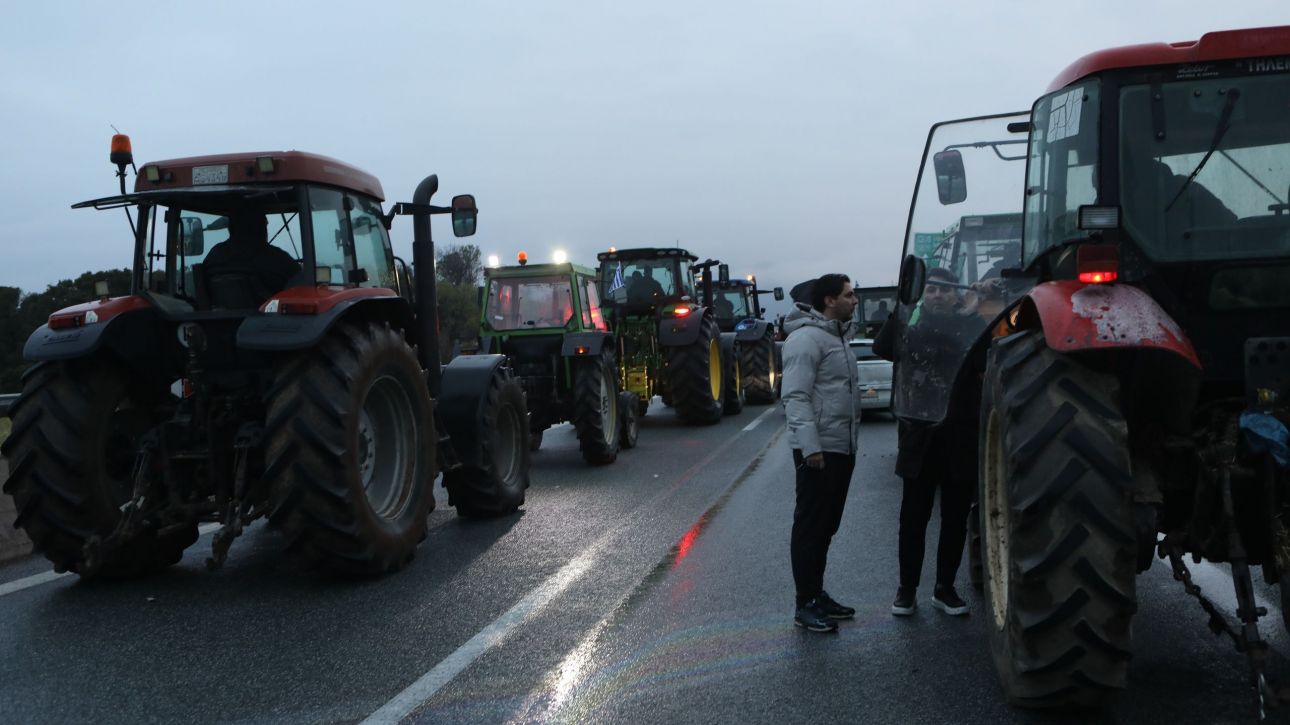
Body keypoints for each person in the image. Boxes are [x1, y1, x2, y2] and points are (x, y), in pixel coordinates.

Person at [875, 266, 981, 618]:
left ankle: (944, 589)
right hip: (918, 437)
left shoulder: (971, 327)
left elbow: (986, 346)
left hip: (960, 437)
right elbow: (881, 346)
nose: (937, 296)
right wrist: (902, 304)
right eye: (931, 290)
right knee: (913, 519)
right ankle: (906, 590)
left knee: (954, 519)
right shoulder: (911, 328)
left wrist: (976, 307)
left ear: (956, 294)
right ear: (924, 296)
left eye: (944, 290)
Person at [781, 273, 861, 633]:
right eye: (848, 294)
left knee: (827, 526)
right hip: (819, 450)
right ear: (829, 300)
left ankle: (817, 593)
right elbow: (795, 396)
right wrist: (810, 448)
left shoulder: (837, 337)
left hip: (841, 446)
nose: (855, 299)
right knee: (811, 527)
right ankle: (805, 603)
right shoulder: (805, 340)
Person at [202, 209, 300, 308]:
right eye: (265, 224)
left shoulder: (215, 255)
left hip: (217, 321)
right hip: (270, 320)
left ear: (231, 228)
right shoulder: (276, 258)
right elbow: (303, 285)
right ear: (260, 228)